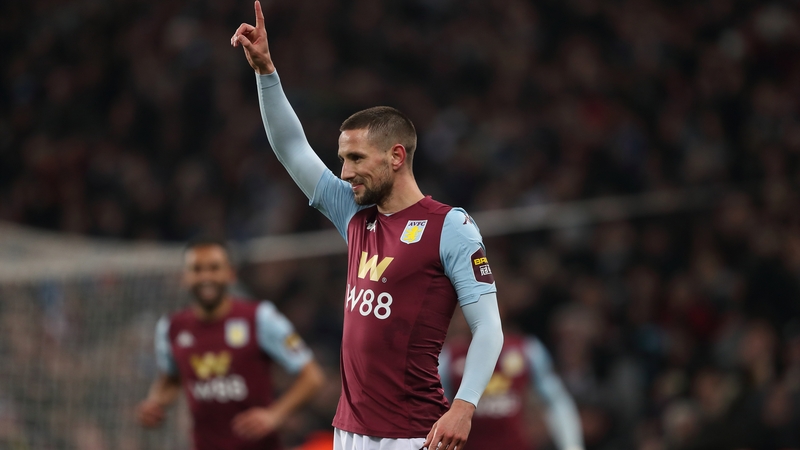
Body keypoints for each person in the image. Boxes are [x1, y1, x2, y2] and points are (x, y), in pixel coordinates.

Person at [231, 2, 505, 450]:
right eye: (342, 159)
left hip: (413, 434)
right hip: (349, 431)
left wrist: (464, 405)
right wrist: (266, 72)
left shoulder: (450, 226)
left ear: (396, 156)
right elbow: (292, 149)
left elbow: (489, 327)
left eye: (356, 158)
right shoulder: (356, 214)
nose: (344, 172)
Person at [136, 237, 325, 450]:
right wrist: (155, 403)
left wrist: (275, 415)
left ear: (231, 274)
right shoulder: (171, 327)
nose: (206, 276)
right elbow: (170, 379)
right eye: (197, 269)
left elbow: (312, 377)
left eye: (214, 268)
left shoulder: (260, 318)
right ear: (185, 277)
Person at [440, 310, 584, 450]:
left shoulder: (527, 350)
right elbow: (437, 408)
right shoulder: (449, 357)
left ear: (498, 310)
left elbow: (555, 400)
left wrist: (571, 445)